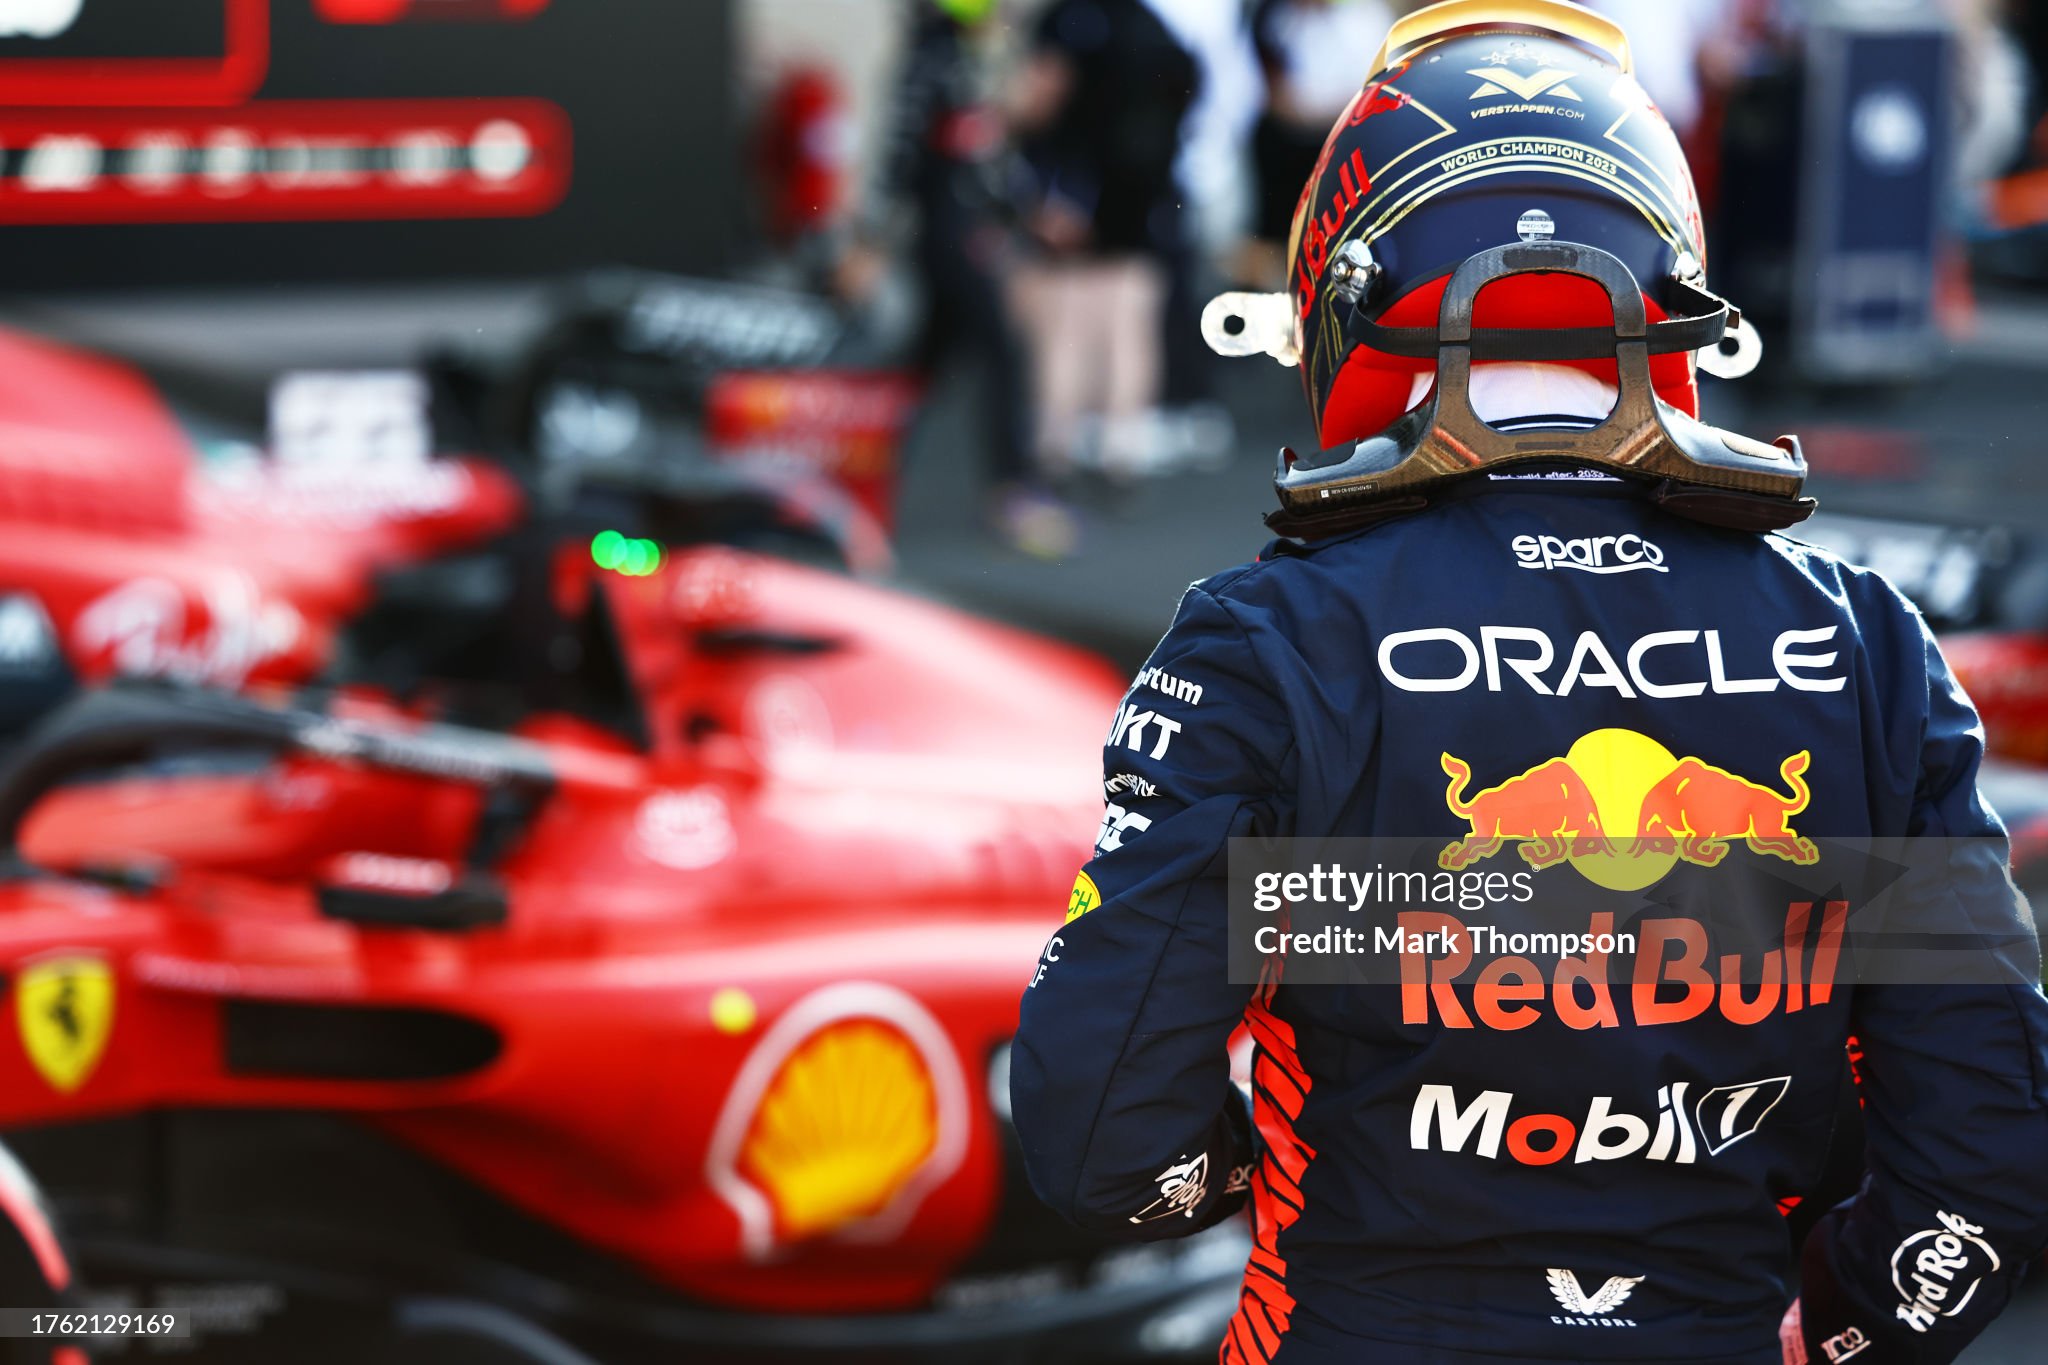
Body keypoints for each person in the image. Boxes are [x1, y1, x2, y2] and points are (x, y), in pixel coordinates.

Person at [1009, 2, 2048, 1363]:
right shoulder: (1863, 642)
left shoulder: (1265, 644)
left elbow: (1097, 1136)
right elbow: (1986, 1154)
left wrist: (1236, 1176)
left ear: (1343, 292)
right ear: (1673, 289)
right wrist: (1848, 1323)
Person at [844, 0, 1074, 557]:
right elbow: (897, 155)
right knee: (1003, 350)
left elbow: (984, 156)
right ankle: (1014, 493)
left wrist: (1028, 211)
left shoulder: (970, 57)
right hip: (942, 238)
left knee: (918, 370)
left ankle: (852, 485)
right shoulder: (931, 60)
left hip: (962, 231)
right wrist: (869, 243)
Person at [1009, 0, 1198, 485]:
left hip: (1075, 198)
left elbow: (1038, 99)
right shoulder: (1151, 25)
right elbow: (1189, 90)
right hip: (1141, 200)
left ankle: (1054, 448)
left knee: (1064, 326)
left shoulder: (1069, 20)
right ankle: (1122, 449)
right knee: (1128, 326)